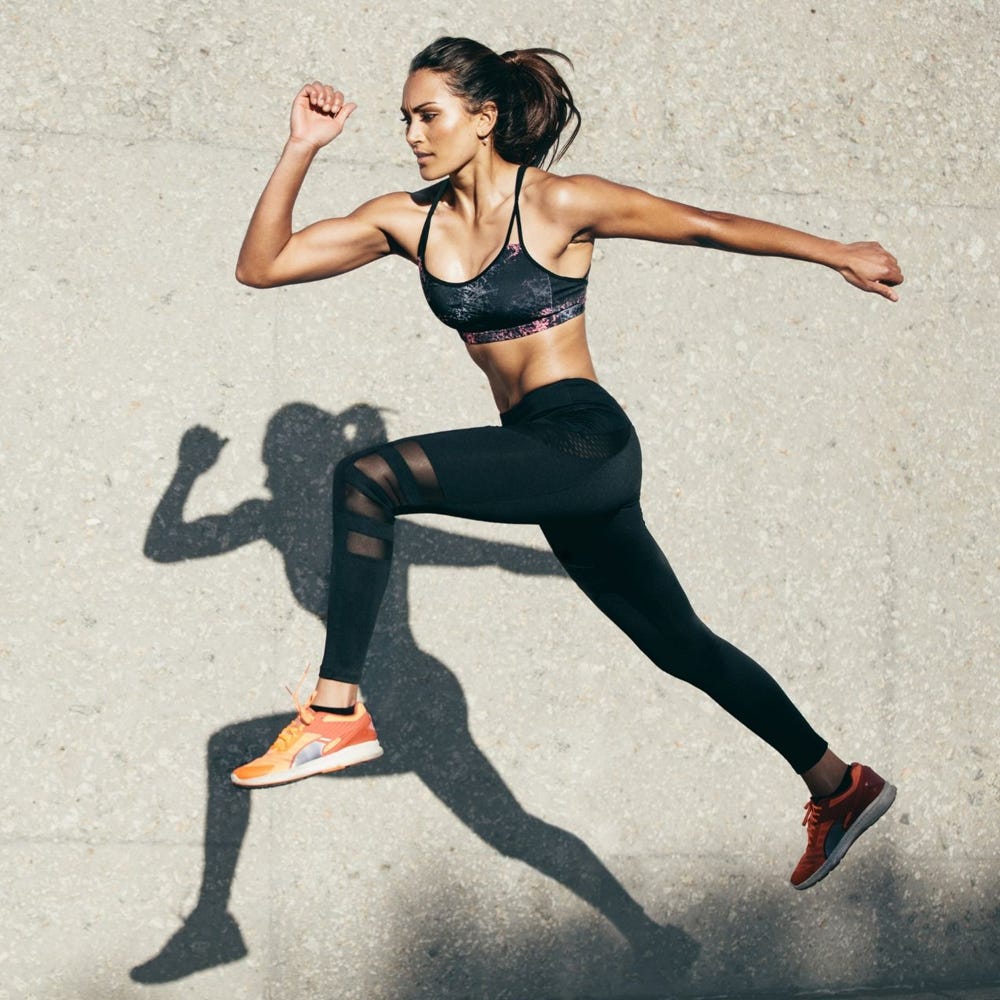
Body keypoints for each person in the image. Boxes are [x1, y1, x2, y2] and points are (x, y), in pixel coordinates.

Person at [232, 36, 902, 890]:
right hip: (537, 461)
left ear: (483, 118)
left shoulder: (558, 203)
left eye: (428, 115)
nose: (411, 134)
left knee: (367, 479)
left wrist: (837, 251)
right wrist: (300, 149)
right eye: (405, 118)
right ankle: (839, 785)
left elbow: (706, 225)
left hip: (583, 440)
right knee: (678, 644)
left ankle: (334, 712)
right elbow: (263, 267)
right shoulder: (407, 219)